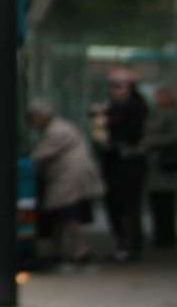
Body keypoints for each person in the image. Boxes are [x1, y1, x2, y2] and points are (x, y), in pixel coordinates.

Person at [29, 98, 105, 265]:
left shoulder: (57, 130)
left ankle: (79, 248)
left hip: (69, 177)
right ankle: (63, 249)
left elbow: (39, 154)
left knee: (66, 213)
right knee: (61, 214)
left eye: (34, 116)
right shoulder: (56, 127)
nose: (33, 121)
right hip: (67, 176)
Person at [98, 68, 149, 260]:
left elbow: (132, 131)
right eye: (114, 86)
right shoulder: (111, 105)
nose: (116, 90)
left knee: (129, 205)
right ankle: (122, 243)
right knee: (114, 205)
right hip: (113, 161)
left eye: (121, 85)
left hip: (129, 162)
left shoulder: (136, 105)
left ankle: (131, 245)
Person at [144, 86, 177, 251]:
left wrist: (151, 141)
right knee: (156, 202)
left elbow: (172, 136)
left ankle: (166, 236)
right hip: (154, 164)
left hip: (165, 164)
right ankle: (160, 234)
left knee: (166, 204)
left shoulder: (171, 114)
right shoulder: (154, 112)